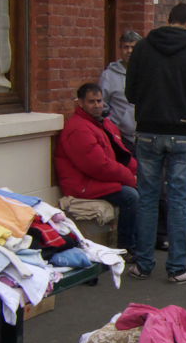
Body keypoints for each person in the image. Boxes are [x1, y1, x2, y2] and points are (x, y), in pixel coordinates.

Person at [124, 2, 186, 284]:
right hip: (184, 132)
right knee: (177, 201)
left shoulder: (142, 48)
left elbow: (130, 93)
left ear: (168, 20)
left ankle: (143, 264)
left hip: (148, 131)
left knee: (148, 200)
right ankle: (177, 268)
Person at [55, 82, 140, 254]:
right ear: (80, 103)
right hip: (83, 184)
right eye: (91, 102)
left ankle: (143, 241)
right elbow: (98, 166)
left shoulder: (103, 124)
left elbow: (120, 154)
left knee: (149, 186)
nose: (97, 105)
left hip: (96, 179)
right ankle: (127, 247)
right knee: (131, 196)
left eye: (99, 101)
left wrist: (138, 171)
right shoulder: (79, 128)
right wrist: (131, 178)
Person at [98, 30, 143, 146]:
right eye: (125, 47)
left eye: (133, 47)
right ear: (120, 49)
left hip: (146, 136)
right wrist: (114, 124)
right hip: (120, 137)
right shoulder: (109, 75)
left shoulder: (148, 72)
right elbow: (102, 104)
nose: (129, 51)